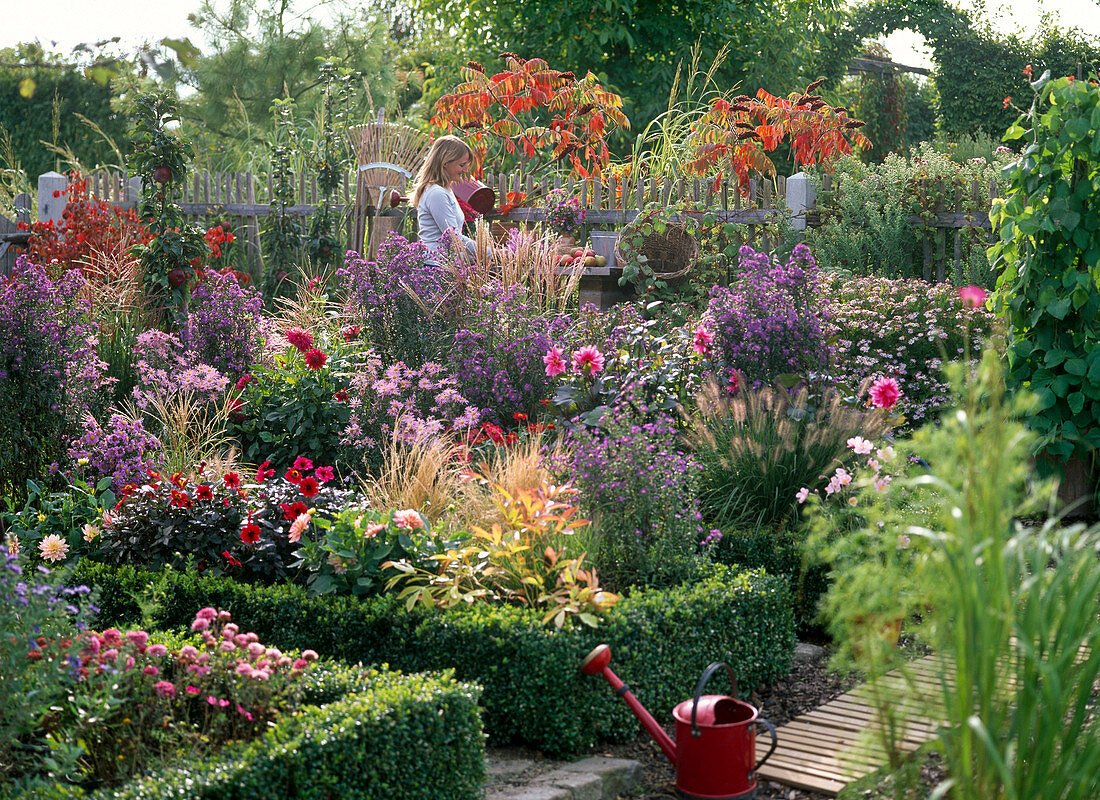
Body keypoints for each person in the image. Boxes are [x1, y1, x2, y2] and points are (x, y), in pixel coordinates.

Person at [412, 135, 479, 265]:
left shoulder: (445, 190)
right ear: (445, 163)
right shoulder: (436, 194)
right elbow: (453, 237)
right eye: (461, 165)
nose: (465, 170)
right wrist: (488, 252)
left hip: (445, 264)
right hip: (435, 267)